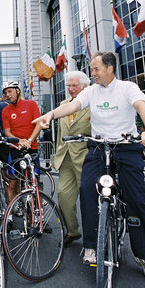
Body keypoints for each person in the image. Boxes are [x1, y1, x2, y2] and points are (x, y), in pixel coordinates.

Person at [34, 51, 145, 284]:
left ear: (110, 68)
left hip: (126, 145)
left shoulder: (127, 87)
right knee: (86, 190)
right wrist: (50, 115)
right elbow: (73, 106)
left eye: (96, 69)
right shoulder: (91, 91)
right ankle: (91, 246)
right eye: (92, 70)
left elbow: (142, 107)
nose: (92, 73)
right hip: (97, 146)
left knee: (136, 199)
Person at [53, 71, 91, 247]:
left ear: (84, 86)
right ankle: (72, 231)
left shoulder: (93, 103)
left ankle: (95, 237)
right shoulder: (63, 105)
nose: (70, 89)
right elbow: (61, 133)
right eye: (68, 85)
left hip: (88, 158)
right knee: (63, 197)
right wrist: (57, 154)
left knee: (90, 199)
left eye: (74, 85)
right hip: (66, 157)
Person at [2, 81, 42, 202]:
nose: (8, 95)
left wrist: (29, 140)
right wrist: (20, 141)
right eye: (5, 92)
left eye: (10, 91)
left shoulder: (31, 104)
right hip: (15, 148)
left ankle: (36, 209)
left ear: (17, 91)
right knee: (13, 181)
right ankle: (12, 212)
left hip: (32, 146)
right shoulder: (5, 110)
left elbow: (39, 124)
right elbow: (7, 132)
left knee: (34, 179)